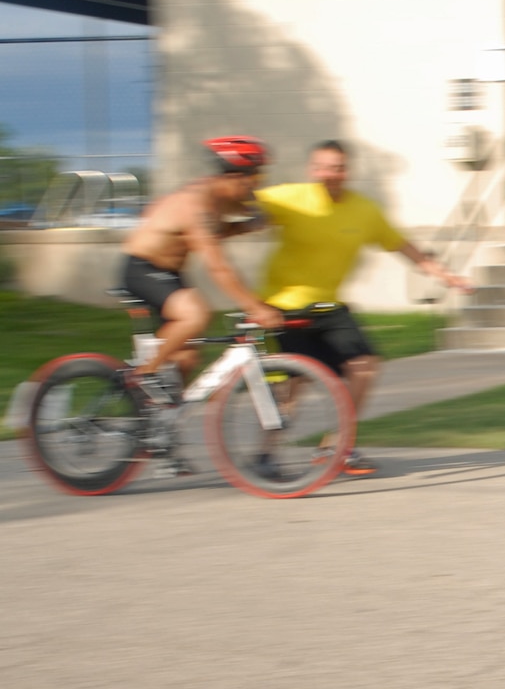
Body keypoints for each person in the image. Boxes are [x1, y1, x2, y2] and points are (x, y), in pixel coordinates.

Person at [255, 140, 473, 476]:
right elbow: (240, 204)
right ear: (313, 170)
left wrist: (444, 274)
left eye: (338, 167)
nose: (332, 174)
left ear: (347, 171)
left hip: (329, 305)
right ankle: (265, 455)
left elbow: (402, 245)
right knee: (294, 383)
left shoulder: (364, 210)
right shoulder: (289, 197)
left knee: (365, 366)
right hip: (286, 305)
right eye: (324, 167)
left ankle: (336, 446)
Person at [118, 136, 283, 404]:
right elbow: (218, 266)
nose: (256, 188)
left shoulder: (221, 199)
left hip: (169, 275)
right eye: (254, 179)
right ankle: (143, 375)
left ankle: (154, 424)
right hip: (142, 268)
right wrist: (255, 307)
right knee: (195, 315)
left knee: (185, 358)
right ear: (235, 177)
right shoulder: (196, 204)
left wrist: (244, 225)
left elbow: (214, 233)